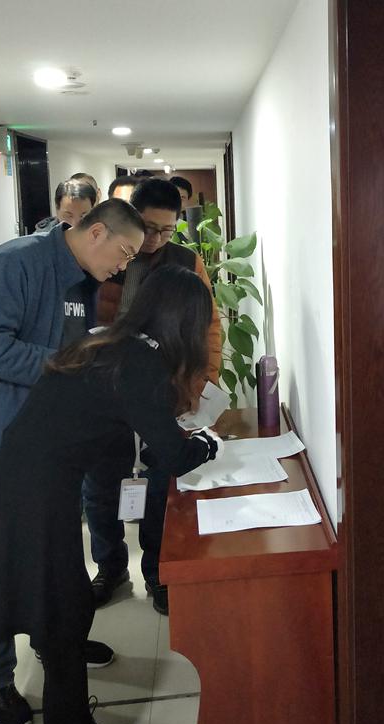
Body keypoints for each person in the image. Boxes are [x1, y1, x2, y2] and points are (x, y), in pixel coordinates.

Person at [0, 265, 221, 724]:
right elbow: (172, 456)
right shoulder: (141, 363)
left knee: (67, 616)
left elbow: (115, 430)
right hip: (34, 506)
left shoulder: (106, 342)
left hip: (19, 491)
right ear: (184, 322)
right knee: (63, 632)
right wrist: (208, 445)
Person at [0, 198, 145, 724]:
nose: (123, 267)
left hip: (51, 439)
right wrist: (72, 364)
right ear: (96, 232)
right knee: (0, 564)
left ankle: (57, 641)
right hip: (0, 438)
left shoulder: (83, 278)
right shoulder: (15, 262)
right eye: (124, 252)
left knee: (57, 552)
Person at [87, 178, 222, 614]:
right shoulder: (106, 255)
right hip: (105, 396)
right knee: (102, 489)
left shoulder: (185, 261)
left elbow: (208, 326)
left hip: (161, 395)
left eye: (167, 230)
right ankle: (110, 568)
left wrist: (201, 384)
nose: (156, 239)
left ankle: (158, 574)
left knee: (156, 490)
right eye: (149, 228)